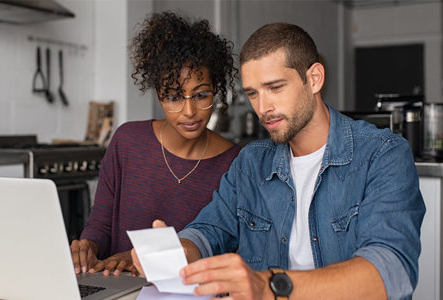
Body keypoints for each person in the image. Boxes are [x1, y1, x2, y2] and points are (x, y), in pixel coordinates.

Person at [132, 22, 425, 300]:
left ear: (314, 79)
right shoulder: (251, 162)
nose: (263, 108)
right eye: (253, 93)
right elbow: (210, 230)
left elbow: (391, 271)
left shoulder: (383, 154)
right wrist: (179, 251)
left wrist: (271, 287)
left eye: (275, 88)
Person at [70, 11, 241, 277]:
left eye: (201, 95)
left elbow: (223, 248)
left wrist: (142, 259)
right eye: (173, 97)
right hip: (116, 286)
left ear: (216, 92)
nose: (189, 111)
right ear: (159, 97)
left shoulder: (235, 163)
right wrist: (88, 246)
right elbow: (101, 224)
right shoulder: (127, 141)